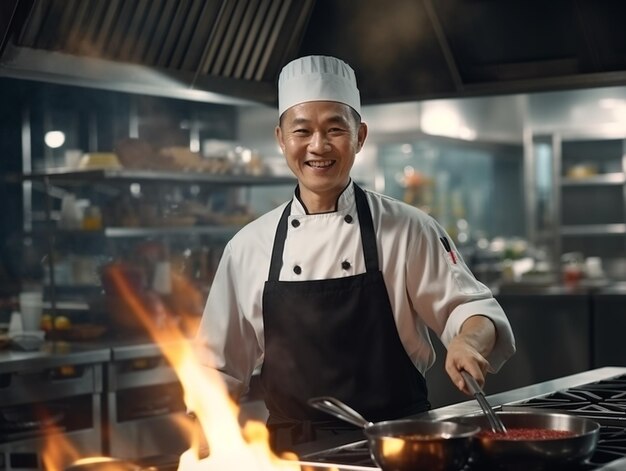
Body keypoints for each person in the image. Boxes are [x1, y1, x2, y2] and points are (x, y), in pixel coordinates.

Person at [196, 55, 516, 452]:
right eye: (302, 131)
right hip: (292, 456)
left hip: (401, 448)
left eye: (334, 129)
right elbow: (217, 367)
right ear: (281, 138)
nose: (318, 146)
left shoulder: (408, 228)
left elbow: (470, 310)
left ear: (360, 136)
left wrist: (468, 342)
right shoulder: (248, 247)